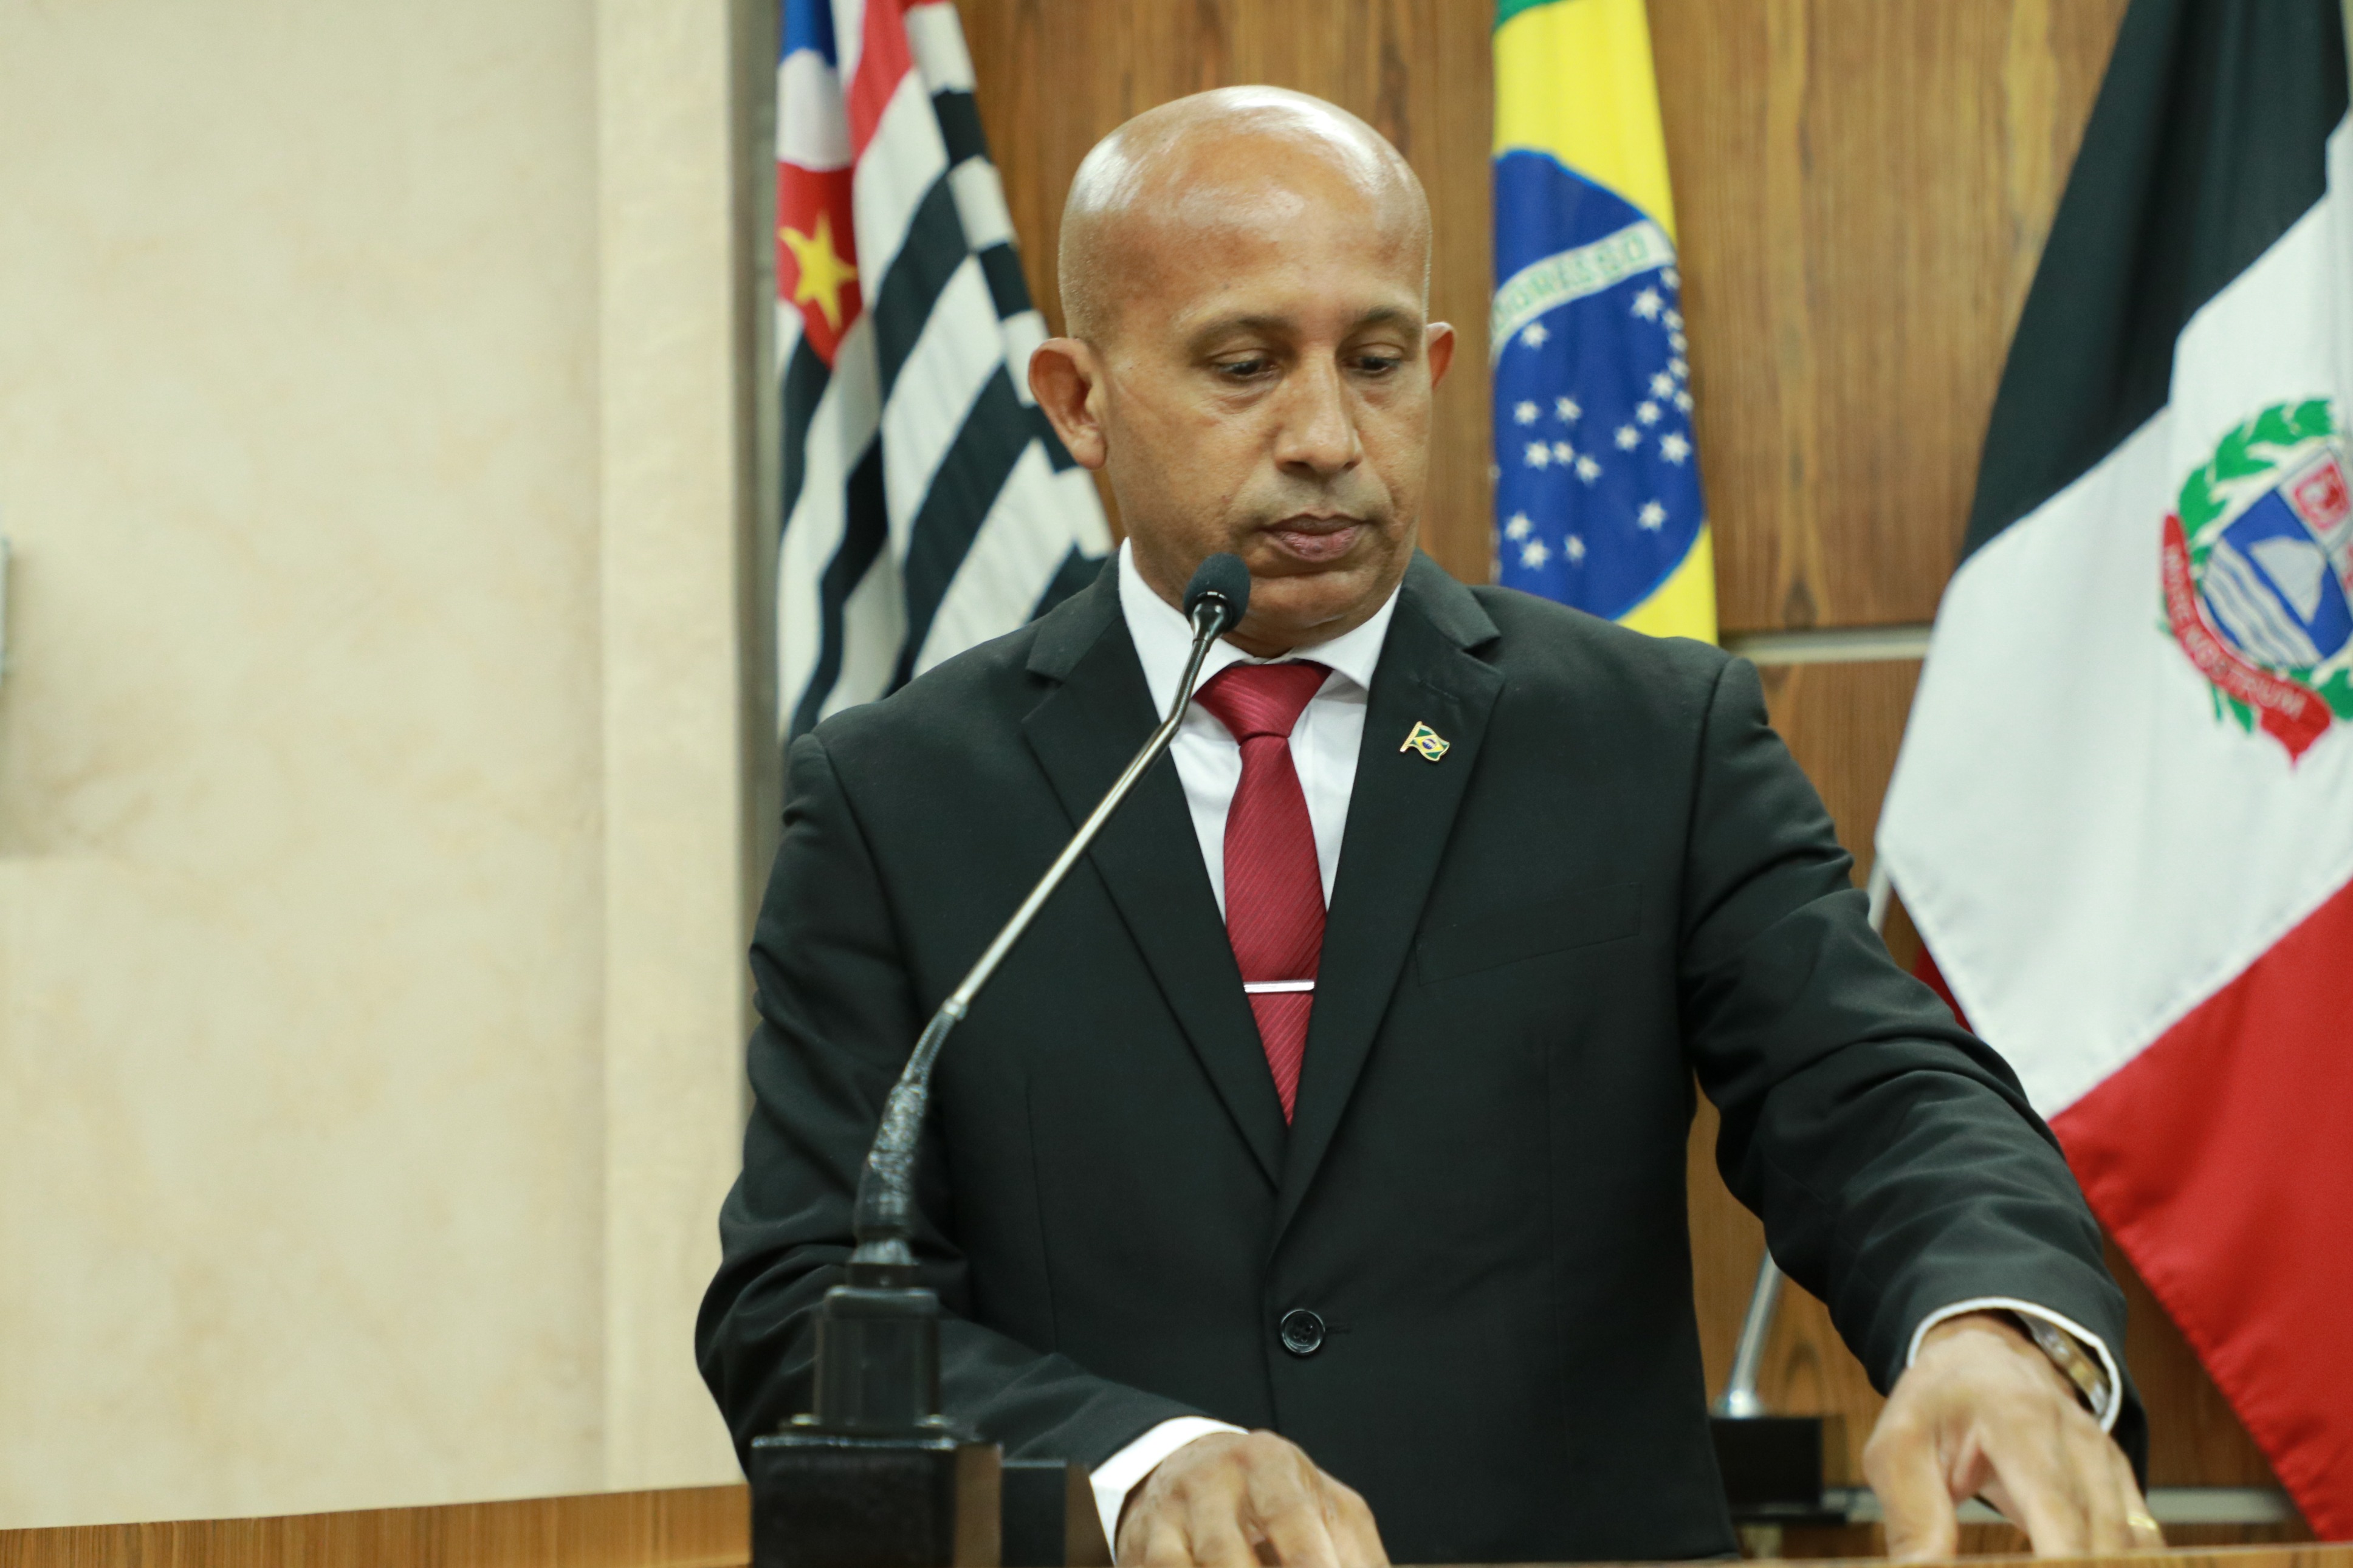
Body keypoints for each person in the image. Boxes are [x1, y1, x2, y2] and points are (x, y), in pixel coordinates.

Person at [699, 86, 2159, 1567]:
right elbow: (801, 1303)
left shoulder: (1650, 736)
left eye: (1376, 361)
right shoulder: (899, 797)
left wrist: (1983, 1327)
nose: (1326, 435)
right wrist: (1136, 1465)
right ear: (1078, 399)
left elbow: (1873, 1092)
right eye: (1244, 365)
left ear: (1437, 365)